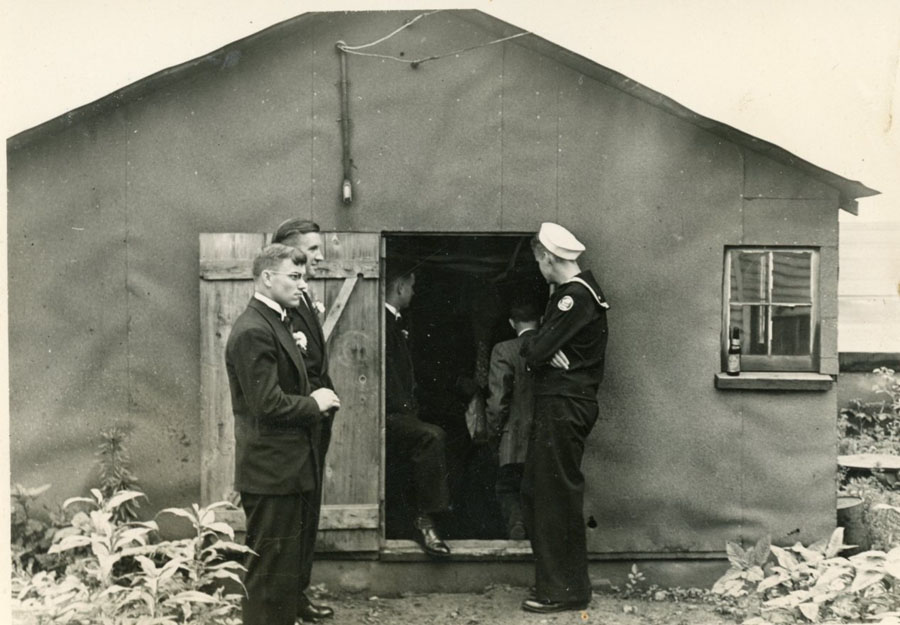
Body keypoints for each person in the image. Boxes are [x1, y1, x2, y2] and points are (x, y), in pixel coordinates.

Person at [225, 244, 341, 625]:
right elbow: (267, 404)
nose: (302, 285)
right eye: (294, 277)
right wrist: (316, 403)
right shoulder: (254, 330)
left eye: (302, 276)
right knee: (268, 578)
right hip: (271, 473)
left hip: (287, 470)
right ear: (267, 278)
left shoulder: (277, 321)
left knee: (283, 579)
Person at [519, 222, 610, 614]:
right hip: (564, 402)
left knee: (553, 495)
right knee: (545, 492)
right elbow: (544, 352)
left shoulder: (574, 298)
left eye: (539, 260)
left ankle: (563, 591)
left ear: (548, 258)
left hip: (563, 404)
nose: (538, 267)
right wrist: (542, 348)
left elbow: (537, 352)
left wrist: (530, 337)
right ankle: (561, 585)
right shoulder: (579, 295)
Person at [271, 218, 335, 622]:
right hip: (300, 420)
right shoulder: (284, 301)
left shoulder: (305, 297)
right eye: (312, 249)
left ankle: (299, 594)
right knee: (295, 513)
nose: (320, 256)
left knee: (309, 511)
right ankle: (287, 599)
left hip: (316, 420)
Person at [384, 261, 453, 557]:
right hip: (387, 413)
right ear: (400, 287)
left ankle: (417, 517)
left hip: (402, 411)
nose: (413, 293)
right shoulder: (382, 323)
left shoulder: (398, 322)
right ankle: (425, 519)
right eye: (411, 286)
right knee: (431, 436)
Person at [486, 301, 540, 541]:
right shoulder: (550, 347)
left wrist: (493, 434)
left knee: (508, 489)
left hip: (513, 439)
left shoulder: (503, 350)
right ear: (539, 320)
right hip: (543, 439)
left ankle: (517, 524)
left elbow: (498, 401)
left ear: (511, 323)